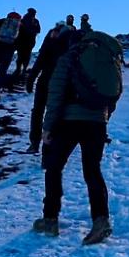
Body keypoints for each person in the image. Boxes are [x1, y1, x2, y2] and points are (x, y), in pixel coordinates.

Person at [33, 30, 123, 244]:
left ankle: (50, 219)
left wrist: (47, 128)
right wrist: (103, 117)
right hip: (97, 123)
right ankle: (101, 220)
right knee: (93, 170)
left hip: (68, 121)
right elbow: (114, 94)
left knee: (54, 167)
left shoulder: (69, 58)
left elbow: (55, 95)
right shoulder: (109, 60)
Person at [25, 21, 76, 152]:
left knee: (38, 111)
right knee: (56, 113)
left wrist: (31, 79)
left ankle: (34, 142)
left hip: (45, 80)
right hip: (63, 84)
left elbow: (40, 60)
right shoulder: (73, 42)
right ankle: (51, 144)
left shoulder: (51, 39)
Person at [15, 8, 41, 77]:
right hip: (30, 42)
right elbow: (38, 30)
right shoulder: (35, 21)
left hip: (21, 41)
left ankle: (18, 70)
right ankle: (23, 70)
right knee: (26, 56)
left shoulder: (23, 20)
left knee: (20, 56)